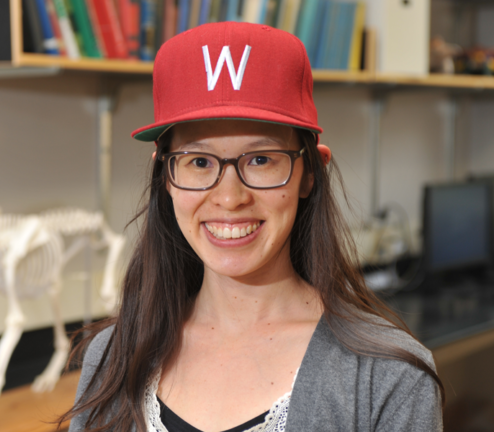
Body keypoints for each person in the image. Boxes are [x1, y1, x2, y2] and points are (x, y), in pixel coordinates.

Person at [63, 22, 443, 432]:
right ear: (165, 177)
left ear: (310, 173)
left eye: (261, 160)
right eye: (199, 161)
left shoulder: (389, 377)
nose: (229, 198)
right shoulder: (113, 359)